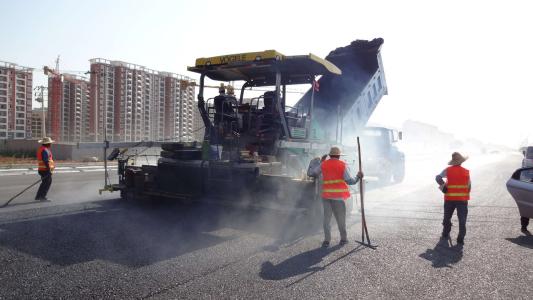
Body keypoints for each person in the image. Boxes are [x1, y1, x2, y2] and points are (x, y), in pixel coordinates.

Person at [308, 146, 363, 247]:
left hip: (326, 197)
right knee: (340, 219)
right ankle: (343, 239)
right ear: (338, 155)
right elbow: (350, 181)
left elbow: (311, 173)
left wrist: (317, 162)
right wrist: (358, 177)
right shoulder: (342, 165)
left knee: (326, 220)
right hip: (338, 198)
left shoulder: (323, 164)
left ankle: (326, 241)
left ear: (330, 155)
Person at [435, 152, 471, 245]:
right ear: (461, 162)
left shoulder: (448, 170)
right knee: (462, 220)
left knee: (447, 218)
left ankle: (446, 233)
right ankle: (460, 238)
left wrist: (443, 186)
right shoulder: (466, 171)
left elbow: (438, 178)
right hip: (462, 200)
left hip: (449, 199)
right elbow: (469, 186)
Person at [35, 137, 55, 201]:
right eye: (50, 143)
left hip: (42, 169)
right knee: (47, 183)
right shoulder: (45, 150)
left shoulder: (42, 149)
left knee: (44, 183)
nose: (51, 144)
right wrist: (49, 169)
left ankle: (38, 196)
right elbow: (45, 161)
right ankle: (42, 197)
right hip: (45, 170)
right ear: (47, 144)